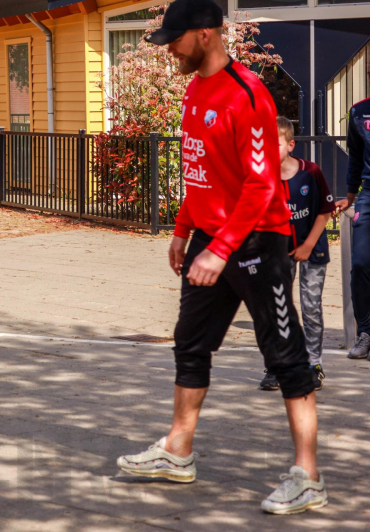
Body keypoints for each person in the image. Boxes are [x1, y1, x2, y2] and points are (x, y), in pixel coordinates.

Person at [115, 0, 326, 515]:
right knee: (190, 344)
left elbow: (258, 187)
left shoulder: (248, 94)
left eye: (177, 40)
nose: (170, 51)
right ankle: (178, 451)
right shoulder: (195, 90)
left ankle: (308, 477)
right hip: (210, 238)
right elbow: (199, 170)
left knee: (286, 356)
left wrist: (222, 249)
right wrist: (183, 231)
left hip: (258, 240)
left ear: (206, 34)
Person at [260, 117, 335, 392]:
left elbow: (325, 211)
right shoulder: (262, 177)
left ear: (290, 145)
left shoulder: (310, 173)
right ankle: (276, 365)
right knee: (277, 309)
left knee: (311, 308)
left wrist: (307, 245)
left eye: (275, 143)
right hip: (278, 254)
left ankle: (313, 364)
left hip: (312, 252)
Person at [335, 95, 370, 359]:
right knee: (360, 263)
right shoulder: (359, 111)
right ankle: (366, 333)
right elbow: (355, 157)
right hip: (368, 194)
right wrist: (349, 194)